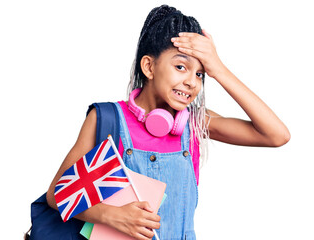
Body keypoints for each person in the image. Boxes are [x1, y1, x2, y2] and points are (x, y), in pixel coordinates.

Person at [46, 4, 290, 240]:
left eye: (200, 73)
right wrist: (111, 215)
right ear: (149, 67)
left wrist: (219, 70)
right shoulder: (106, 119)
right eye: (181, 66)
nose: (192, 82)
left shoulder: (195, 123)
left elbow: (276, 135)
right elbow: (57, 194)